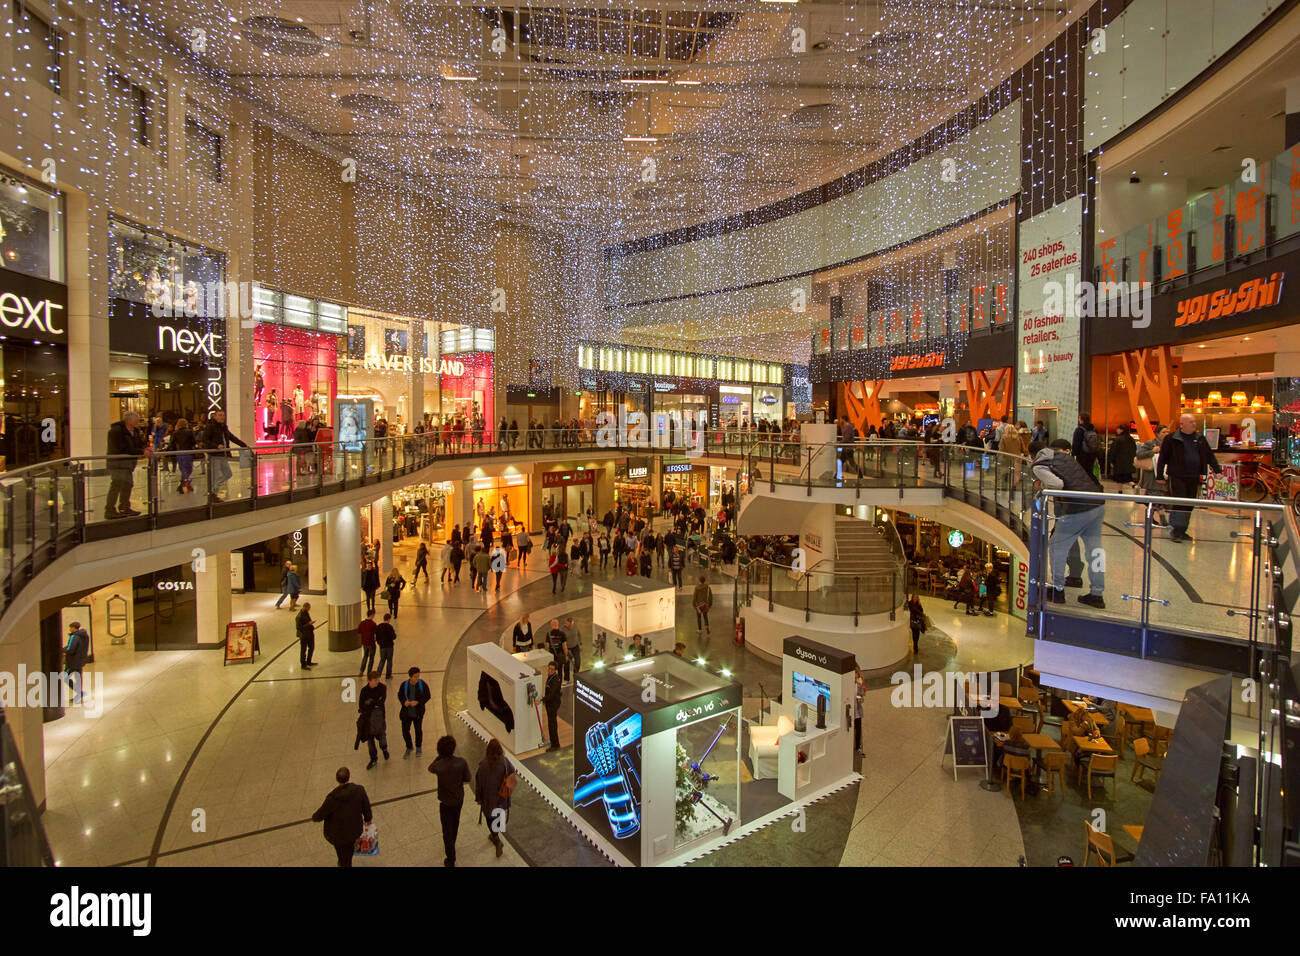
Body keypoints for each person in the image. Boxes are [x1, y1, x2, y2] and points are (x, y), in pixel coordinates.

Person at [1033, 439, 1106, 609]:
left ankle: (1058, 590)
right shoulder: (1065, 457)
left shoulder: (1039, 464)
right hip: (1097, 504)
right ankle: (1097, 594)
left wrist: (1040, 485)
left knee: (1056, 547)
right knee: (1095, 551)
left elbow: (1056, 484)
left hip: (1077, 509)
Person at [1156, 413, 1221, 543]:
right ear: (1182, 424)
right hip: (1177, 475)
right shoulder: (1172, 438)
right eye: (1191, 422)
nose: (1194, 424)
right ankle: (1176, 530)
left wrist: (1217, 470)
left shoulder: (1200, 438)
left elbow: (1209, 455)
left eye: (1194, 422)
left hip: (1194, 475)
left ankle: (1182, 530)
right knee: (1180, 502)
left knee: (1189, 504)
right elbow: (1162, 458)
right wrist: (1159, 475)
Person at [312, 767, 372, 867]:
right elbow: (366, 806)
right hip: (354, 830)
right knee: (349, 850)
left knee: (342, 855)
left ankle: (344, 863)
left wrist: (314, 817)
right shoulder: (359, 790)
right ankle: (346, 860)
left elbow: (320, 815)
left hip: (338, 835)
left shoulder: (332, 798)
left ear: (337, 779)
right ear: (349, 777)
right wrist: (368, 818)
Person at [428, 735, 472, 866]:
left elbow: (430, 768)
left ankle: (451, 858)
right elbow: (467, 778)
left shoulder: (438, 766)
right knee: (455, 822)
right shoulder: (461, 762)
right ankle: (452, 842)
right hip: (458, 799)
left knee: (446, 828)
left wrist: (439, 756)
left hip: (445, 802)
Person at [475, 738, 514, 858]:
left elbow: (479, 783)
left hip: (488, 798)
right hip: (501, 798)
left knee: (489, 818)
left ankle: (496, 839)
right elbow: (512, 773)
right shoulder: (505, 762)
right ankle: (496, 835)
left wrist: (478, 798)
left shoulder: (483, 765)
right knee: (499, 815)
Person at [104, 411, 146, 519]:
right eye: (136, 420)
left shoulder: (135, 431)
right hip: (118, 462)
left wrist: (143, 449)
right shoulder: (116, 431)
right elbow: (121, 448)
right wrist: (140, 452)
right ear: (129, 420)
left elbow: (138, 444)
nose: (138, 422)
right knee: (117, 485)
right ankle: (109, 510)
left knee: (127, 484)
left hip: (128, 463)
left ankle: (124, 507)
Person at [201, 409, 248, 501]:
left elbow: (231, 437)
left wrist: (244, 445)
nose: (222, 417)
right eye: (219, 415)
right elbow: (205, 440)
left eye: (223, 415)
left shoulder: (223, 427)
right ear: (215, 416)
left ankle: (213, 492)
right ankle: (213, 494)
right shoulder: (210, 427)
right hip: (215, 455)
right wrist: (216, 446)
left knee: (227, 474)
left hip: (222, 455)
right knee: (216, 476)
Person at [1135, 425, 1171, 526]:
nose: (1166, 434)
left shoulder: (1169, 444)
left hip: (1164, 474)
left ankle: (1150, 517)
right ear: (1158, 433)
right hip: (1152, 476)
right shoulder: (1150, 443)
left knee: (1152, 498)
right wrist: (1152, 451)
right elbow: (1139, 455)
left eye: (1167, 432)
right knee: (1156, 496)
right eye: (1163, 432)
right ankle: (1162, 518)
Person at [357, 671, 389, 769]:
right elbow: (361, 705)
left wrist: (370, 702)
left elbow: (381, 702)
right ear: (369, 680)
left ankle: (384, 749)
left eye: (378, 679)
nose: (377, 682)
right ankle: (373, 758)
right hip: (368, 720)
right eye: (375, 680)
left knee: (382, 735)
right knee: (370, 741)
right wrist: (374, 702)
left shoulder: (382, 688)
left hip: (379, 718)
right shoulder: (364, 691)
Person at [397, 666, 431, 757]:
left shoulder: (422, 684)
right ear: (410, 677)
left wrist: (418, 702)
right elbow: (400, 695)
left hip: (418, 712)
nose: (417, 678)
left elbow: (428, 696)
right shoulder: (404, 685)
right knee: (405, 731)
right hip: (406, 712)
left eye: (418, 676)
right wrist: (404, 702)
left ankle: (418, 747)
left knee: (418, 730)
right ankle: (409, 746)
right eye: (415, 677)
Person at [63, 620, 91, 704]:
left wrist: (61, 650)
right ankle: (79, 695)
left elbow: (70, 649)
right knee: (78, 678)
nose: (69, 629)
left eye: (70, 628)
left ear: (73, 628)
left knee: (65, 677)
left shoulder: (74, 637)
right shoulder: (84, 636)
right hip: (80, 661)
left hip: (72, 662)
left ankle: (80, 693)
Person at [1071, 412, 1101, 480]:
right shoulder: (1094, 429)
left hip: (1082, 454)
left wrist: (1073, 454)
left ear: (1081, 419)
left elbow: (1076, 443)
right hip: (1092, 454)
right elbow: (1098, 442)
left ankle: (1085, 486)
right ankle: (1093, 485)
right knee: (1089, 471)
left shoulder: (1079, 429)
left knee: (1081, 472)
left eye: (1079, 418)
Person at [171, 417, 196, 493]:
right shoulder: (190, 432)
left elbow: (172, 444)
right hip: (188, 452)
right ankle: (185, 484)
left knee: (183, 469)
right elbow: (193, 442)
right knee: (189, 469)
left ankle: (183, 484)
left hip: (180, 453)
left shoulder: (175, 433)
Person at [542, 661, 562, 752]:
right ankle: (553, 742)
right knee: (551, 723)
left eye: (552, 669)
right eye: (549, 668)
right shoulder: (551, 677)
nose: (549, 670)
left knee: (552, 724)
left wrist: (542, 700)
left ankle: (555, 744)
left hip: (553, 704)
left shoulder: (555, 680)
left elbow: (552, 694)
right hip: (550, 703)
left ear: (555, 671)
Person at [375, 612, 397, 680]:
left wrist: (379, 643)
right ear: (389, 619)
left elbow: (377, 637)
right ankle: (388, 675)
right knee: (389, 661)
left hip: (382, 646)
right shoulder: (390, 627)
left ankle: (377, 675)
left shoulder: (379, 626)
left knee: (382, 660)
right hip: (389, 646)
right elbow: (394, 637)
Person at [296, 603, 317, 668]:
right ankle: (303, 664)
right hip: (304, 635)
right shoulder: (299, 617)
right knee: (303, 650)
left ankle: (309, 661)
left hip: (310, 633)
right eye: (308, 608)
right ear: (305, 607)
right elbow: (299, 627)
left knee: (311, 647)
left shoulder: (306, 613)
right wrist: (308, 624)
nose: (309, 609)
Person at [357, 610, 377, 675]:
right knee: (371, 658)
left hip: (364, 643)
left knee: (365, 656)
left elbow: (359, 633)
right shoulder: (373, 624)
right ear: (371, 615)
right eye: (373, 615)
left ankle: (361, 671)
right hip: (371, 643)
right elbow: (375, 634)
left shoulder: (362, 623)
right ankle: (369, 672)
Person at [563, 615, 582, 680]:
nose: (571, 626)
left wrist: (580, 644)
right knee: (566, 663)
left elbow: (579, 634)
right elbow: (562, 641)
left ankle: (576, 675)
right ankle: (566, 679)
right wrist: (566, 650)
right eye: (569, 625)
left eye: (571, 625)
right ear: (567, 623)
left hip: (575, 646)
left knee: (578, 661)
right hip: (567, 648)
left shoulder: (575, 626)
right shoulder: (563, 630)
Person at [853, 665, 866, 756]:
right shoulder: (847, 684)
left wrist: (861, 699)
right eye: (853, 673)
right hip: (850, 710)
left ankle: (858, 747)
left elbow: (862, 695)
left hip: (857, 711)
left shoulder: (859, 684)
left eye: (856, 673)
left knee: (858, 729)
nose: (855, 675)